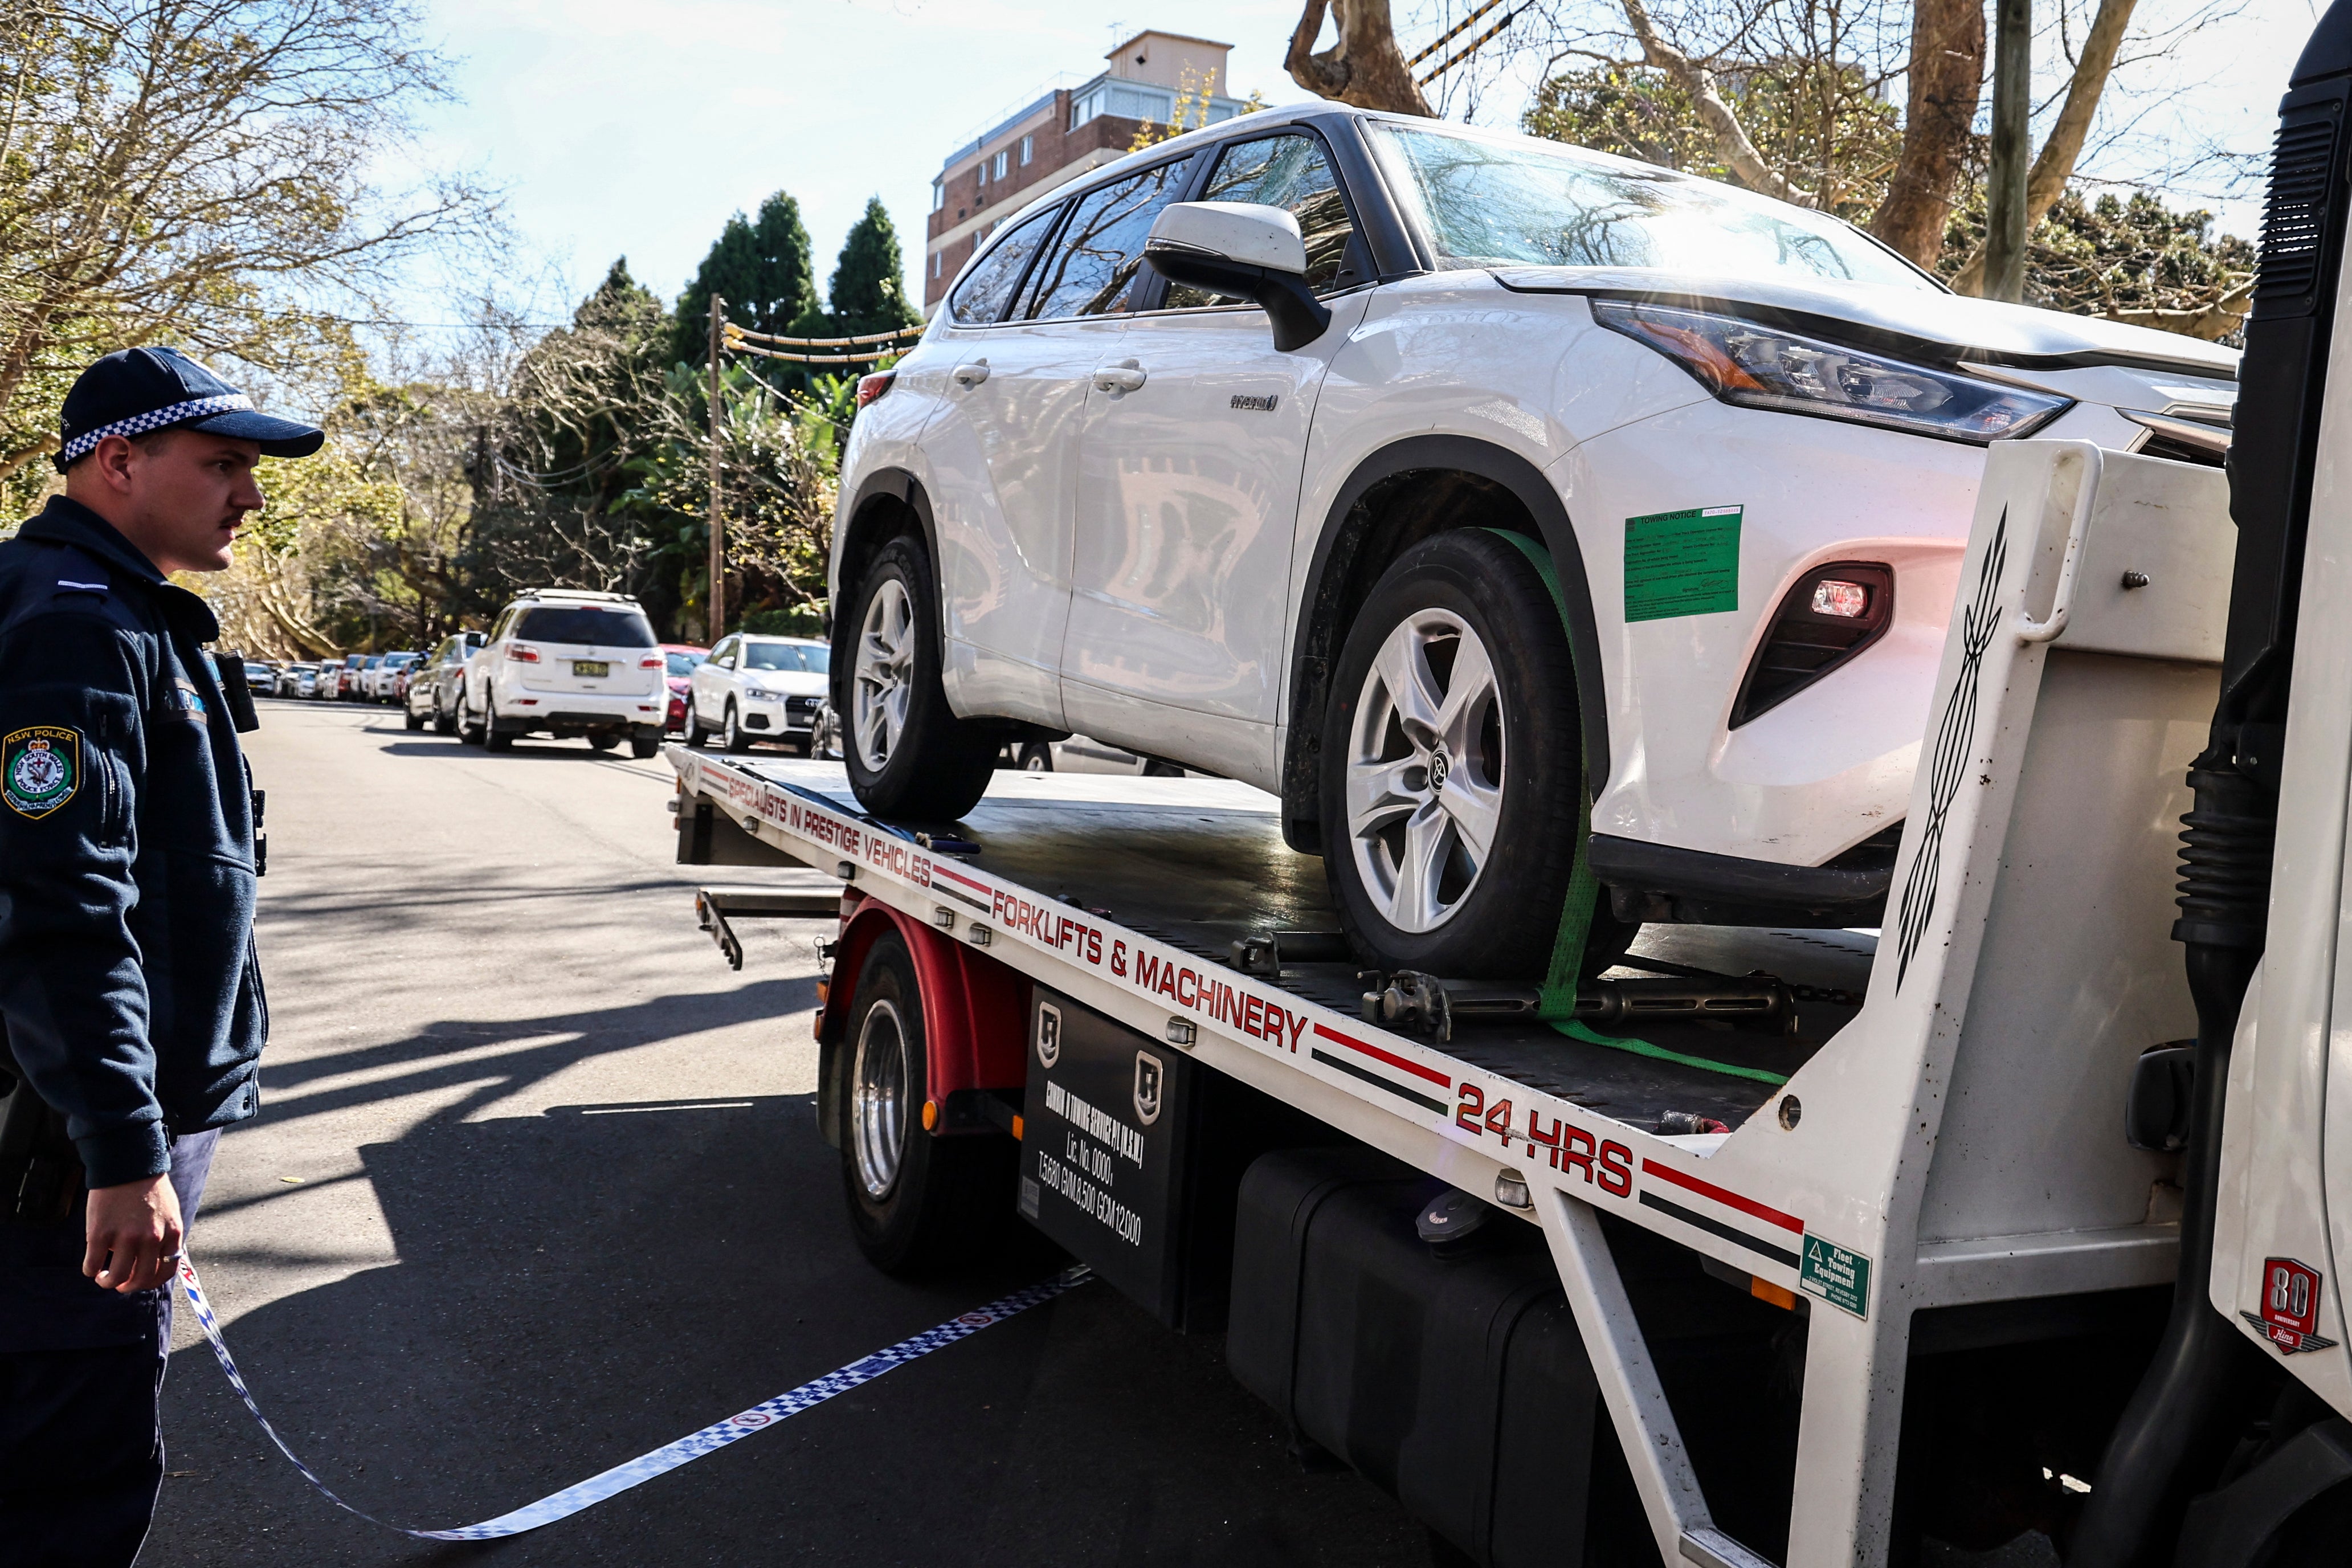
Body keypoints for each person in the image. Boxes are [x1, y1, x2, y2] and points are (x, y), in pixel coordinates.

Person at [0, 347, 322, 1567]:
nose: (250, 493)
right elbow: (61, 902)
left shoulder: (131, 613)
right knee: (65, 1488)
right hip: (54, 1164)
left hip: (81, 1139)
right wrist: (124, 1149)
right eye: (224, 463)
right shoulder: (74, 625)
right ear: (119, 462)